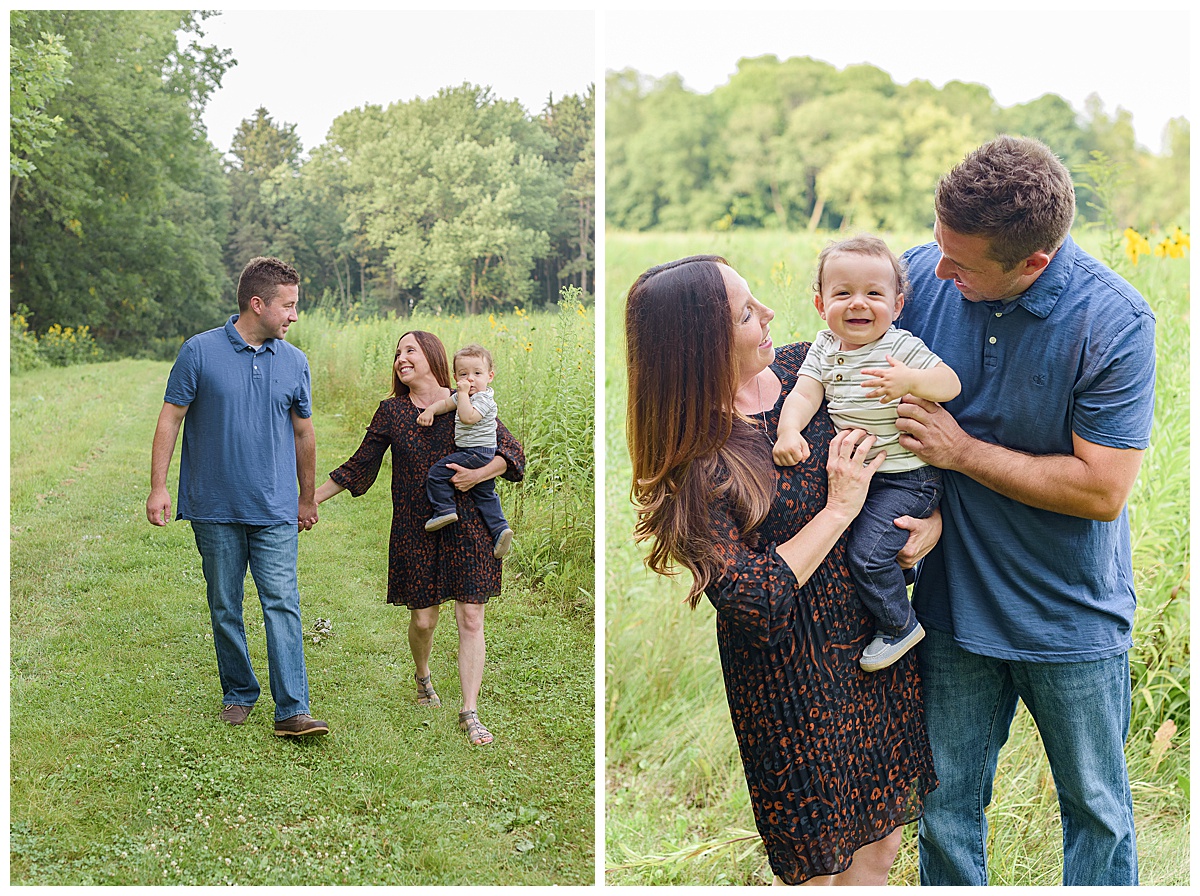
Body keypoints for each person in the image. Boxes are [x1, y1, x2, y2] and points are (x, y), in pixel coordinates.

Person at [625, 255, 940, 885]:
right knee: (819, 870)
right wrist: (839, 508)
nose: (769, 314)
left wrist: (932, 522)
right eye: (746, 313)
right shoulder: (694, 459)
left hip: (876, 647)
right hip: (792, 685)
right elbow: (752, 599)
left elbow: (911, 448)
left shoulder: (810, 368)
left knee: (880, 849)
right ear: (701, 345)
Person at [895, 135, 1155, 885]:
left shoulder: (1113, 322)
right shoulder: (919, 276)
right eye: (939, 245)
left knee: (1097, 810)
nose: (937, 272)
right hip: (952, 610)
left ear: (1033, 262)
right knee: (944, 810)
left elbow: (1102, 490)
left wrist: (960, 452)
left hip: (1070, 616)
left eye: (961, 264)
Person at [146, 256, 329, 738]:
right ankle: (240, 691)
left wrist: (306, 497)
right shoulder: (199, 352)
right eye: (288, 306)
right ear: (257, 303)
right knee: (225, 603)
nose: (294, 316)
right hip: (214, 506)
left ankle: (292, 709)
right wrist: (159, 486)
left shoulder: (294, 361)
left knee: (282, 602)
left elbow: (304, 434)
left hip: (274, 507)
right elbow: (171, 418)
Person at [314, 330, 525, 747]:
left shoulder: (465, 397)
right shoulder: (392, 412)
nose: (401, 358)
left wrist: (478, 474)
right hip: (417, 528)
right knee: (424, 620)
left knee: (471, 617)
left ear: (432, 355)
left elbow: (512, 454)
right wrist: (310, 501)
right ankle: (423, 675)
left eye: (409, 350)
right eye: (397, 353)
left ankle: (469, 711)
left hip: (468, 526)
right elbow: (360, 464)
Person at [773, 236, 960, 671]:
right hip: (864, 478)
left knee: (867, 554)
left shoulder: (900, 347)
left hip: (907, 477)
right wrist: (788, 430)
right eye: (843, 293)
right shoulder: (823, 349)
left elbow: (950, 383)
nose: (858, 303)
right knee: (861, 544)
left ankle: (900, 626)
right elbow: (804, 394)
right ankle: (897, 577)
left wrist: (910, 381)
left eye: (874, 293)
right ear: (821, 305)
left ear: (896, 305)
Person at [417, 342, 515, 559]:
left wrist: (461, 394)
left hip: (477, 452)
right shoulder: (465, 396)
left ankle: (444, 509)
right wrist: (431, 410)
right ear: (455, 377)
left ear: (490, 376)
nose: (470, 379)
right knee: (485, 495)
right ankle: (500, 531)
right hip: (478, 452)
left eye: (477, 373)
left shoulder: (483, 399)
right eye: (463, 374)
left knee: (437, 473)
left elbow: (467, 417)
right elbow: (445, 405)